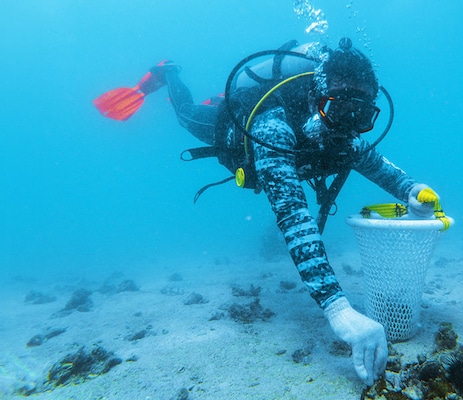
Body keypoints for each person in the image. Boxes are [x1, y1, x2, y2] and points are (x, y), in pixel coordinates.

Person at [95, 37, 442, 386]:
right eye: (338, 110)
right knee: (187, 116)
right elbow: (293, 216)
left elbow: (379, 166)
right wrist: (339, 310)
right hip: (224, 129)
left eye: (361, 114)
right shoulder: (273, 127)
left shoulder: (344, 134)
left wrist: (415, 191)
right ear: (314, 97)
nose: (347, 125)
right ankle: (167, 72)